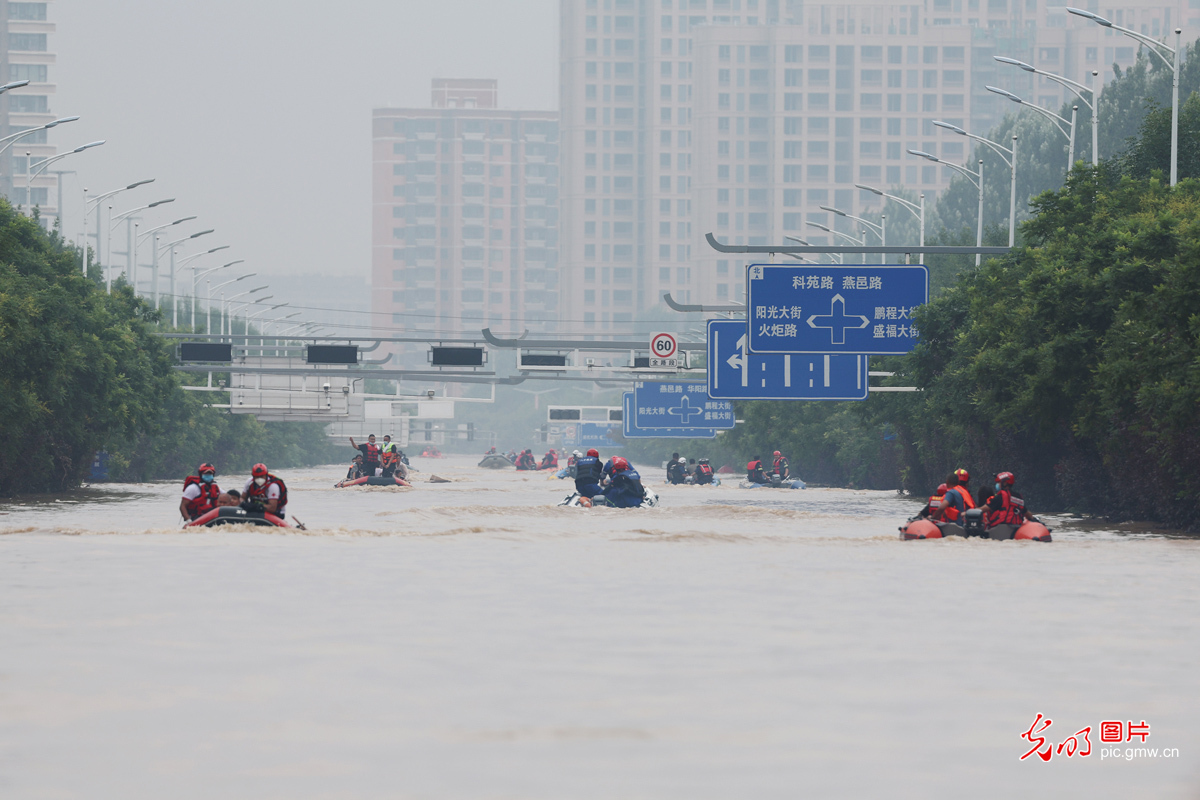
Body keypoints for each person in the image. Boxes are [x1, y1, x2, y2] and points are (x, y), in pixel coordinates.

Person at [983, 471, 1031, 538]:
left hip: (1000, 529)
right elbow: (1028, 514)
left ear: (1005, 483)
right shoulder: (1018, 497)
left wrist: (970, 511)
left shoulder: (1000, 497)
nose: (997, 485)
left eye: (999, 482)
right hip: (1016, 528)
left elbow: (983, 509)